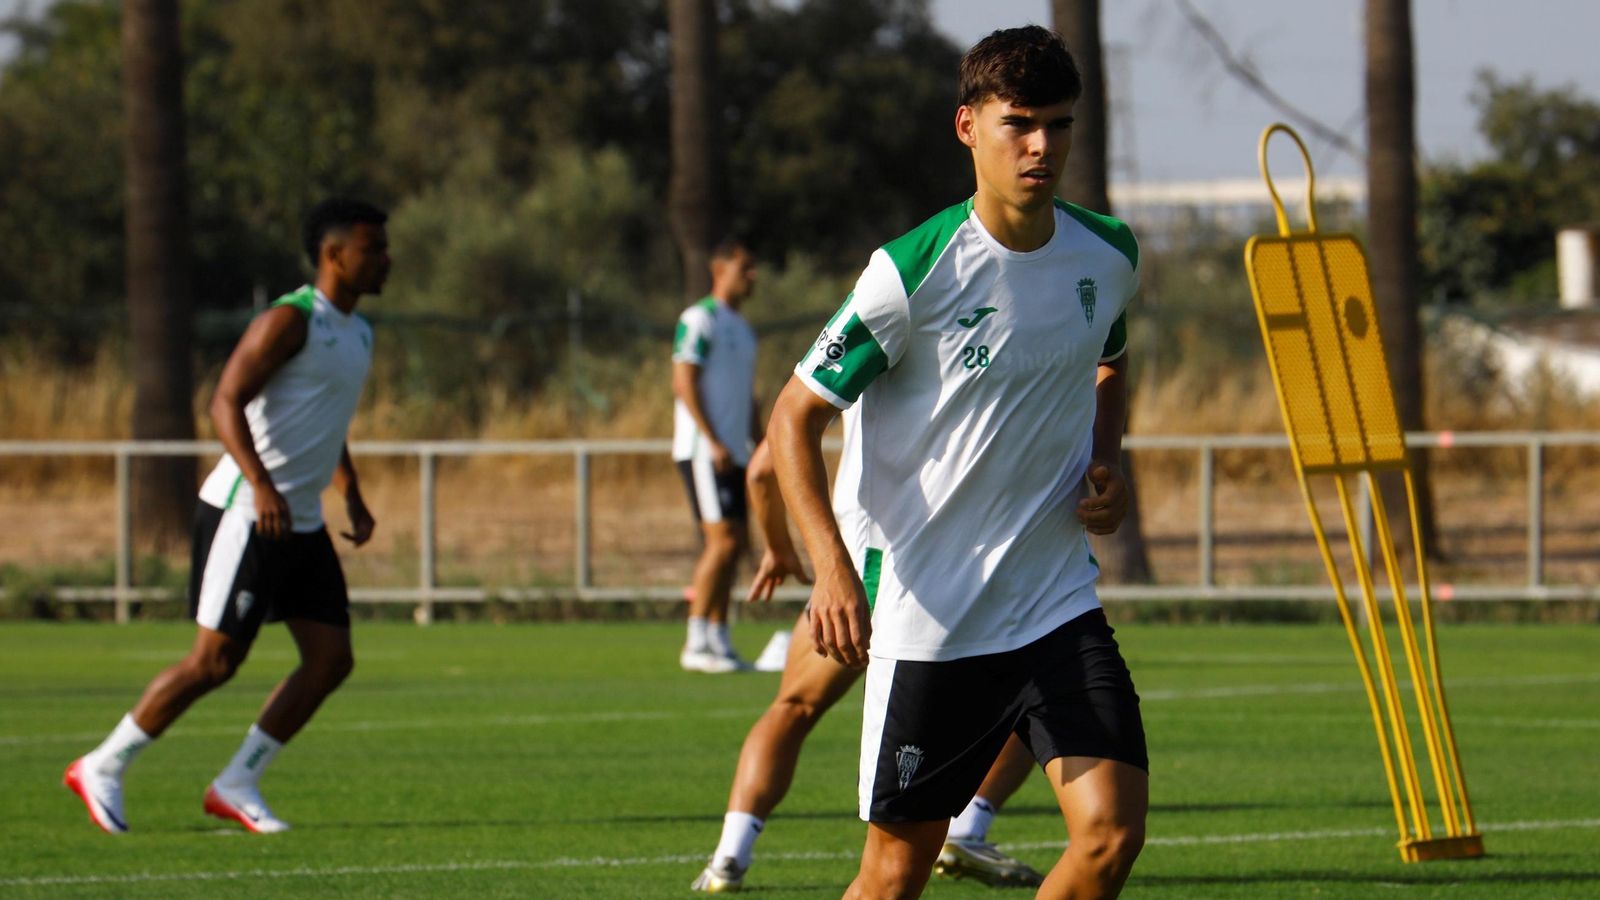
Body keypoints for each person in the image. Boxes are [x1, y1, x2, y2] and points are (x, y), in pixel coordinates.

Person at [767, 26, 1147, 899]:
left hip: (1055, 604)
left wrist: (1105, 459)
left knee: (1110, 835)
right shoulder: (910, 275)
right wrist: (830, 569)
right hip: (932, 620)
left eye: (1060, 124)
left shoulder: (1109, 255)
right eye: (1021, 124)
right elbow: (793, 417)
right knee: (894, 875)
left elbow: (1110, 357)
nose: (1043, 145)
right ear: (968, 126)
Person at [63, 198, 390, 834]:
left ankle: (237, 781)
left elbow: (327, 420)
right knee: (213, 662)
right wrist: (263, 488)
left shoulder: (359, 332)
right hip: (246, 512)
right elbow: (224, 402)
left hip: (299, 520)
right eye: (372, 247)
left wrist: (350, 490)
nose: (385, 258)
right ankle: (103, 764)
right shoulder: (289, 321)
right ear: (333, 254)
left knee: (330, 660)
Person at [691, 441, 1047, 893]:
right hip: (946, 571)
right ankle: (967, 828)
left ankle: (729, 856)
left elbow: (762, 469)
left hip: (856, 565)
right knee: (1032, 689)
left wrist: (779, 546)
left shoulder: (841, 371)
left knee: (794, 707)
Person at [672, 239, 763, 673]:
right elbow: (683, 381)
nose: (752, 276)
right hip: (705, 451)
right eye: (744, 268)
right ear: (719, 269)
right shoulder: (699, 318)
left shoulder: (743, 330)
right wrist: (712, 440)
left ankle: (720, 639)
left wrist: (762, 445)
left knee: (738, 544)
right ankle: (695, 639)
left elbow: (748, 397)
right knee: (722, 541)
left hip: (736, 453)